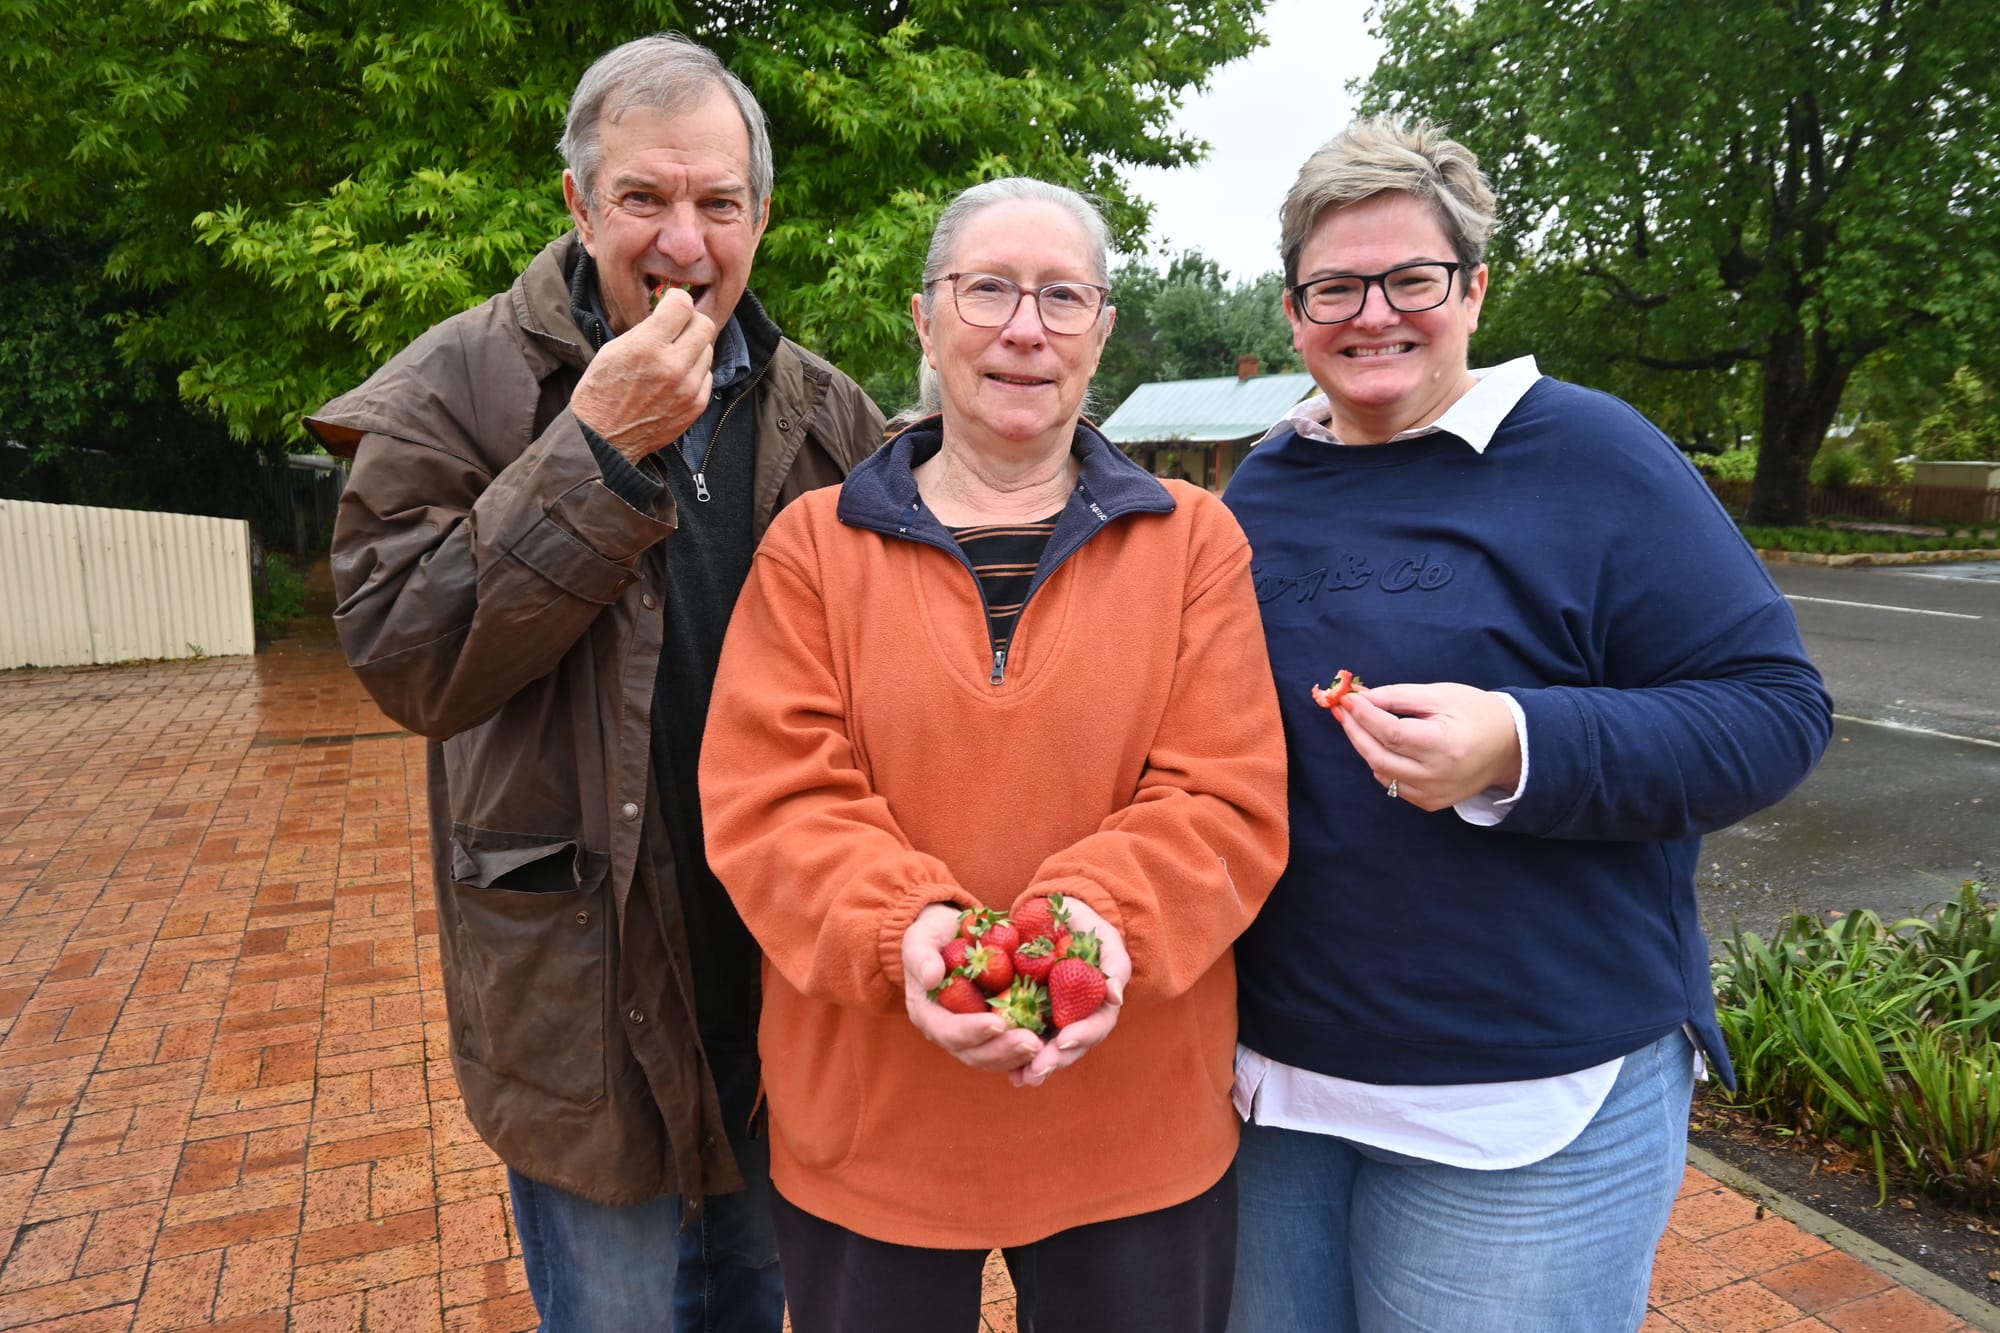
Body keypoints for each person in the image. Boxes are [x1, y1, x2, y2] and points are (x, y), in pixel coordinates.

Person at [306, 35, 883, 1333]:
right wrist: (596, 454)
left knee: (757, 1295)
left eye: (717, 203)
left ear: (760, 215)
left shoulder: (825, 411)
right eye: (644, 199)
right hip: (582, 979)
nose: (684, 239)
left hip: (777, 976)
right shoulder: (453, 390)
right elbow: (407, 658)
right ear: (577, 204)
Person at [1220, 118, 1833, 1332]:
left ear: (1474, 288)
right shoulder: (1261, 483)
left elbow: (1774, 712)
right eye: (1333, 286)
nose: (1372, 313)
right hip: (1275, 1093)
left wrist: (1517, 744)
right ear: (1292, 309)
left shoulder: (1591, 453)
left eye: (1411, 279)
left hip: (1525, 1100)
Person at [697, 177, 1289, 1333]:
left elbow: (1224, 797)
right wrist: (905, 931)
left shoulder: (1193, 544)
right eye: (989, 291)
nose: (1025, 328)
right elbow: (771, 798)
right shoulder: (812, 548)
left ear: (1103, 330)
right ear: (925, 318)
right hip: (874, 1128)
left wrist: (1085, 925)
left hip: (1131, 1132)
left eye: (1063, 297)